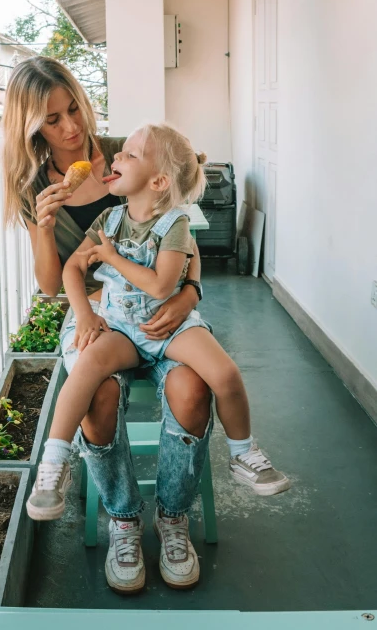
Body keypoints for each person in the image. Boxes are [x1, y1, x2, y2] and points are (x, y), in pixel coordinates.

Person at [1, 58, 276, 594]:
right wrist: (46, 228)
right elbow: (54, 284)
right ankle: (123, 519)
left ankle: (173, 517)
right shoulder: (32, 186)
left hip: (162, 311)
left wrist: (190, 293)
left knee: (195, 387)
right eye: (52, 120)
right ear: (32, 127)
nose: (71, 127)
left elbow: (182, 240)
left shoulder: (129, 152)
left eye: (73, 107)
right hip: (95, 315)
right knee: (97, 395)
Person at [26, 123, 290, 541]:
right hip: (123, 326)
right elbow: (73, 268)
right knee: (89, 364)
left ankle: (243, 455)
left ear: (158, 181)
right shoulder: (109, 218)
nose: (113, 159)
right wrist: (86, 314)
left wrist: (112, 256)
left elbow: (162, 286)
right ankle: (54, 464)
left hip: (170, 327)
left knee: (224, 374)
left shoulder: (175, 224)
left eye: (128, 156)